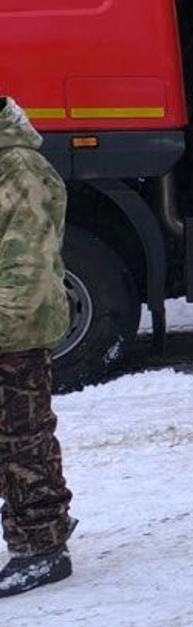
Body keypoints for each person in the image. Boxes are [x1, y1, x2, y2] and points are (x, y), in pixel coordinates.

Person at [0, 94, 76, 597]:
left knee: (22, 441)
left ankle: (43, 547)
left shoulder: (19, 168)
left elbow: (26, 267)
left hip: (15, 334)